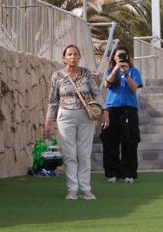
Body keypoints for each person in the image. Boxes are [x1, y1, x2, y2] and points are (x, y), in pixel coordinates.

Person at [45, 44, 103, 200]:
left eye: (75, 54)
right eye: (69, 54)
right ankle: (72, 189)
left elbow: (96, 93)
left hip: (86, 116)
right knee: (70, 154)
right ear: (64, 58)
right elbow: (53, 100)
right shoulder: (57, 76)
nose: (72, 57)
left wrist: (104, 110)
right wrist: (48, 121)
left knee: (84, 153)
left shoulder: (86, 74)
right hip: (65, 116)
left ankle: (85, 189)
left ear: (79, 57)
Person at [100, 44, 143, 182]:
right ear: (114, 57)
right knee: (110, 141)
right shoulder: (110, 71)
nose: (121, 58)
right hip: (112, 109)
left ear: (128, 57)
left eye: (124, 55)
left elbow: (134, 87)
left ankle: (128, 172)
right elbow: (106, 85)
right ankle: (113, 173)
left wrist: (126, 74)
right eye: (119, 56)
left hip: (129, 110)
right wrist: (116, 70)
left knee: (130, 141)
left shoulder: (133, 71)